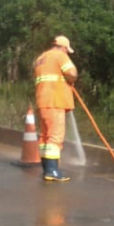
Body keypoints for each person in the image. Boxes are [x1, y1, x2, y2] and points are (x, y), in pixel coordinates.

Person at [33, 35, 78, 182]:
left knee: (45, 136)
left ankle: (47, 170)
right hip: (55, 101)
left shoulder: (41, 58)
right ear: (64, 48)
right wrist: (71, 79)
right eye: (67, 50)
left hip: (42, 101)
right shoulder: (60, 56)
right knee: (55, 137)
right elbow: (72, 73)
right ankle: (52, 171)